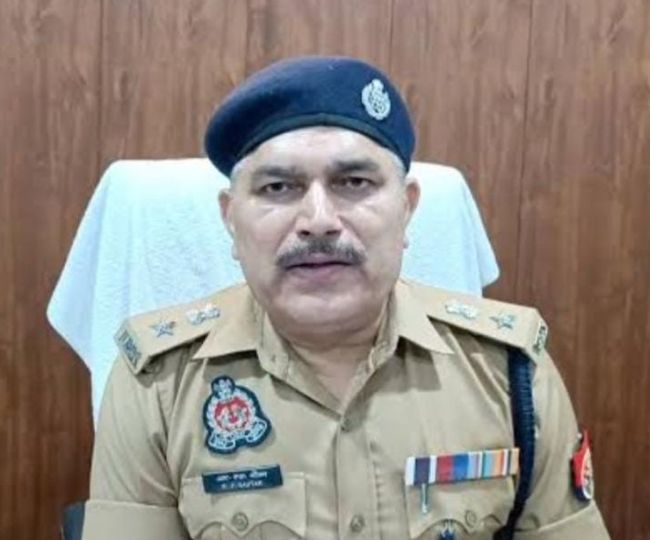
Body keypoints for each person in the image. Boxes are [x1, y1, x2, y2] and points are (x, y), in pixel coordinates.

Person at [81, 56, 610, 539]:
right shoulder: (158, 384)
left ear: (407, 209)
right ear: (230, 219)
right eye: (278, 188)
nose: (318, 221)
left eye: (354, 182)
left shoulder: (509, 372)